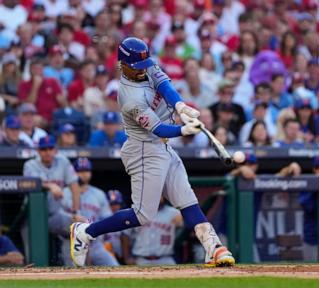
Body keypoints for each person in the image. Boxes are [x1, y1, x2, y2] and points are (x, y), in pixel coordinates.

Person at [70, 37, 235, 267]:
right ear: (123, 65)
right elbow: (157, 129)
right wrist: (184, 129)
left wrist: (181, 106)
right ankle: (85, 232)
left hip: (163, 147)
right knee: (142, 215)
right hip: (144, 149)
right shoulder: (130, 97)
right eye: (136, 68)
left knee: (187, 201)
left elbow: (164, 85)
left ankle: (213, 248)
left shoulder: (146, 64)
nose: (142, 71)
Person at [22, 135, 80, 262]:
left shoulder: (63, 161)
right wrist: (50, 186)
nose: (47, 152)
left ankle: (73, 268)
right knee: (32, 259)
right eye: (44, 149)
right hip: (32, 219)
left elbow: (74, 186)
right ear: (38, 151)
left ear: (55, 150)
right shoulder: (30, 165)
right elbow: (30, 184)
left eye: (50, 148)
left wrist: (75, 212)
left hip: (54, 216)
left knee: (79, 227)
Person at [58, 158, 119, 266]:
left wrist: (108, 242)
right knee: (74, 275)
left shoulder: (99, 194)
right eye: (80, 171)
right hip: (71, 242)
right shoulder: (64, 193)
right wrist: (71, 218)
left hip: (96, 244)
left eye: (86, 171)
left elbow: (108, 218)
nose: (83, 174)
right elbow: (57, 218)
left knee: (114, 267)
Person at [123, 197, 183, 266]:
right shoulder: (136, 211)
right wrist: (127, 257)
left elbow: (186, 230)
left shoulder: (174, 214)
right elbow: (125, 235)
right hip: (141, 260)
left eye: (160, 195)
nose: (157, 198)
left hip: (166, 259)